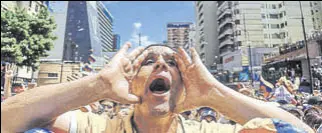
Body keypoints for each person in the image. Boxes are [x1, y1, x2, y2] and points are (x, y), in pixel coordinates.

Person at [1, 43, 314, 133]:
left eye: (172, 62)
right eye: (150, 60)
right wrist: (97, 86)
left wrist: (214, 95)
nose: (162, 65)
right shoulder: (94, 126)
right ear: (132, 81)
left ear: (182, 83)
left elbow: (298, 132)